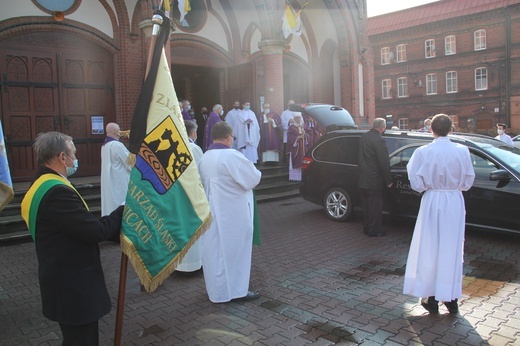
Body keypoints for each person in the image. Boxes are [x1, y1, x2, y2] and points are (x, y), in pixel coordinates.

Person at [20, 131, 123, 345]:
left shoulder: (40, 183)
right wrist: (122, 211)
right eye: (73, 154)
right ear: (61, 157)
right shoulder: (57, 192)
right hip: (73, 287)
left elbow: (76, 226)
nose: (75, 159)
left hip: (61, 277)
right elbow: (93, 231)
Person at [403, 114, 475, 314]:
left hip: (433, 200)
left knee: (430, 247)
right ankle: (450, 298)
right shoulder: (462, 151)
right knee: (451, 248)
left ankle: (432, 296)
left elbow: (416, 182)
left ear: (431, 129)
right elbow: (468, 181)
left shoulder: (424, 151)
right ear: (451, 129)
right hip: (454, 201)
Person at [198, 122, 262, 303]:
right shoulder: (232, 155)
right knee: (236, 253)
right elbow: (253, 178)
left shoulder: (205, 157)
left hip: (213, 212)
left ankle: (218, 291)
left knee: (215, 253)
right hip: (234, 214)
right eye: (232, 137)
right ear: (228, 137)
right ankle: (237, 291)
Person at [176, 120, 204, 272]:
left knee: (180, 227)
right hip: (193, 195)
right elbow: (202, 171)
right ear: (193, 133)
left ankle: (179, 264)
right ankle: (194, 263)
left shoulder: (172, 147)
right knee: (193, 228)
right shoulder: (193, 148)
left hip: (176, 194)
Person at [358, 118, 392, 237]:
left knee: (366, 207)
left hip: (363, 177)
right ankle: (374, 230)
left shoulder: (364, 137)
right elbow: (384, 162)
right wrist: (388, 180)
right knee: (375, 207)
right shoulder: (379, 140)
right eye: (385, 127)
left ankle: (367, 228)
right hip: (374, 179)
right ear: (382, 127)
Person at [101, 122, 131, 216]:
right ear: (116, 132)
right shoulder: (117, 145)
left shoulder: (104, 146)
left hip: (111, 182)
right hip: (119, 184)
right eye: (119, 130)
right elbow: (130, 163)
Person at [286, 112, 308, 181]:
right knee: (297, 162)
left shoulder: (302, 126)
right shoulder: (291, 127)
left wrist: (305, 135)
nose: (299, 119)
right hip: (295, 148)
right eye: (297, 118)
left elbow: (307, 136)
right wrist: (298, 137)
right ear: (294, 119)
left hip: (303, 148)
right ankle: (296, 178)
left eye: (300, 118)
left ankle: (303, 177)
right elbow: (290, 138)